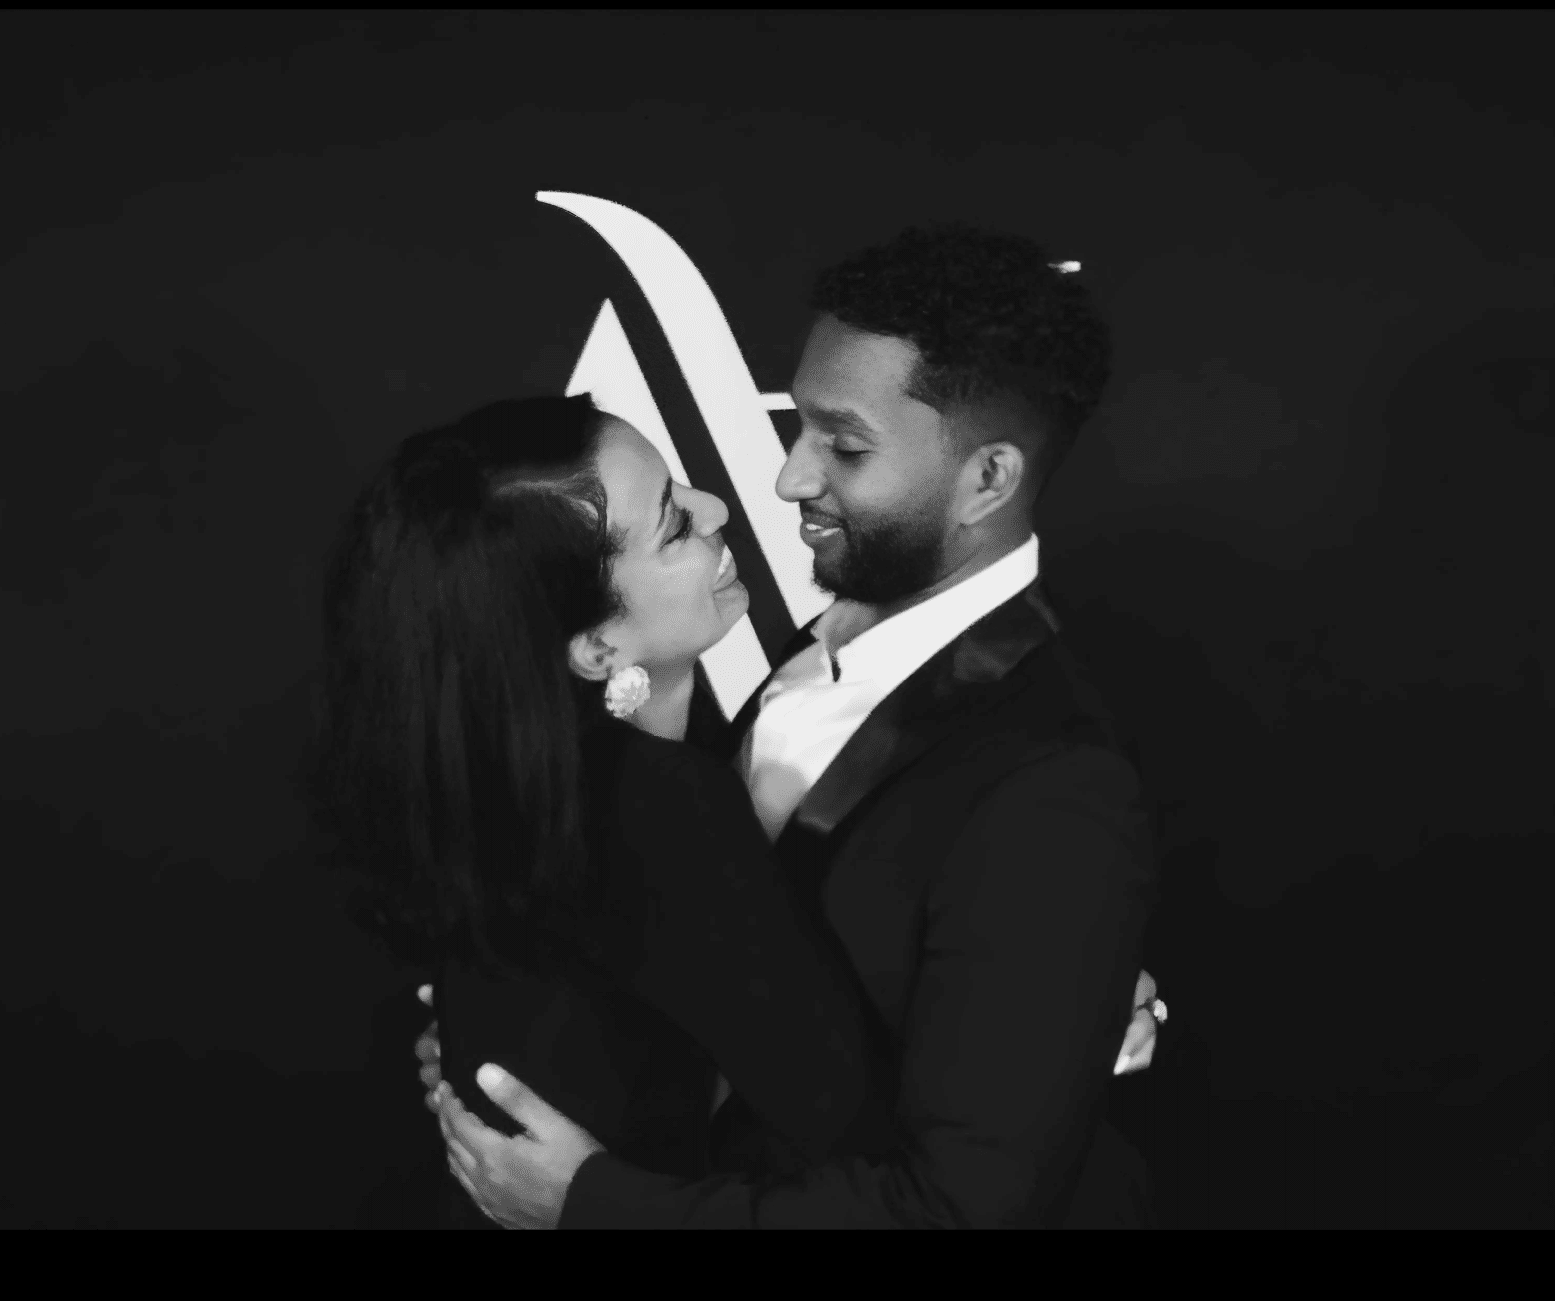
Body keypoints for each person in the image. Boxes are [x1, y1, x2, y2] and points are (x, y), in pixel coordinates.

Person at [428, 223, 1165, 1228]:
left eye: (843, 446)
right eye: (799, 424)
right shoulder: (800, 657)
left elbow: (954, 1210)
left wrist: (592, 1205)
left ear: (986, 480)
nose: (784, 480)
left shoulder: (1051, 784)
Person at [310, 395, 898, 1226]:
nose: (718, 508)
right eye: (673, 526)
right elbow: (858, 1127)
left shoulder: (510, 785)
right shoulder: (655, 807)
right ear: (598, 648)